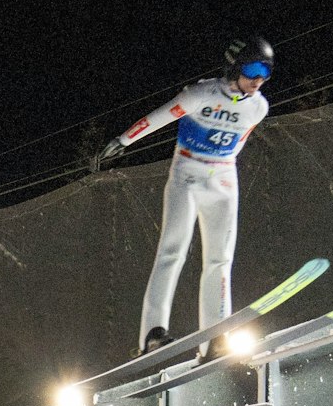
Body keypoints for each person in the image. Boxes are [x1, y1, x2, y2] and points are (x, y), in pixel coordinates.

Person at [95, 37, 274, 353]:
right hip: (187, 175)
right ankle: (152, 333)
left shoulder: (258, 107)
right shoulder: (200, 94)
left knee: (220, 259)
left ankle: (217, 336)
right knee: (172, 250)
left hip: (223, 178)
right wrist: (122, 142)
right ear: (234, 67)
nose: (259, 79)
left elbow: (237, 141)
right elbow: (158, 117)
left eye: (266, 72)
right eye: (253, 69)